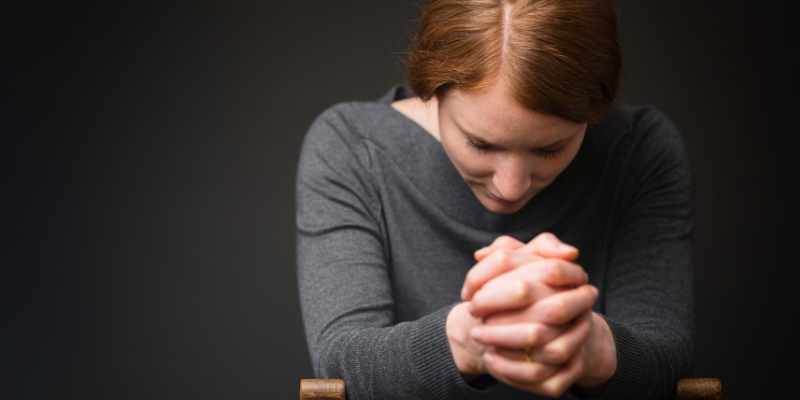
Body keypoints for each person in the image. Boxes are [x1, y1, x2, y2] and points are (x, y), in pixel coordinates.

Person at [295, 0, 693, 399]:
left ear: (595, 110)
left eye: (550, 149)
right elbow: (341, 364)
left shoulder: (640, 151)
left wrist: (592, 345)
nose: (511, 187)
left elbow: (667, 364)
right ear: (431, 89)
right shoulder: (352, 147)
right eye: (480, 145)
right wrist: (470, 339)